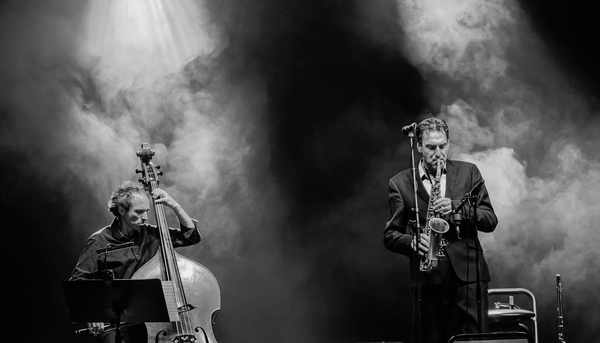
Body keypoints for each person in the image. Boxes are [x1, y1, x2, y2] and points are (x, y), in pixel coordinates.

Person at [383, 116, 498, 343]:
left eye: (443, 146)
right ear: (418, 146)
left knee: (478, 341)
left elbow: (490, 220)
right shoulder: (401, 183)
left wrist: (458, 211)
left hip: (470, 272)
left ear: (448, 143)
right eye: (431, 147)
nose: (438, 153)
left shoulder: (469, 172)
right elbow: (390, 235)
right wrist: (413, 242)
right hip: (429, 275)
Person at [69, 181, 200, 343]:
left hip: (155, 319)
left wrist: (174, 205)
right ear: (122, 210)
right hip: (118, 322)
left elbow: (191, 236)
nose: (145, 217)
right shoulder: (99, 241)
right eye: (139, 212)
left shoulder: (151, 234)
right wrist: (91, 313)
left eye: (146, 211)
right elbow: (77, 283)